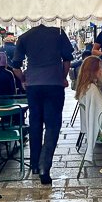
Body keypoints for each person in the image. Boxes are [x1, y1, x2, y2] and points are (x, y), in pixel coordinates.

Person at [13, 24, 73, 185]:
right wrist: (63, 77)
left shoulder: (24, 36)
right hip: (54, 83)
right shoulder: (59, 33)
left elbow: (16, 65)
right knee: (52, 126)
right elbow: (67, 59)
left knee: (35, 124)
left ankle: (34, 164)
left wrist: (23, 80)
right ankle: (44, 166)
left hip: (33, 85)